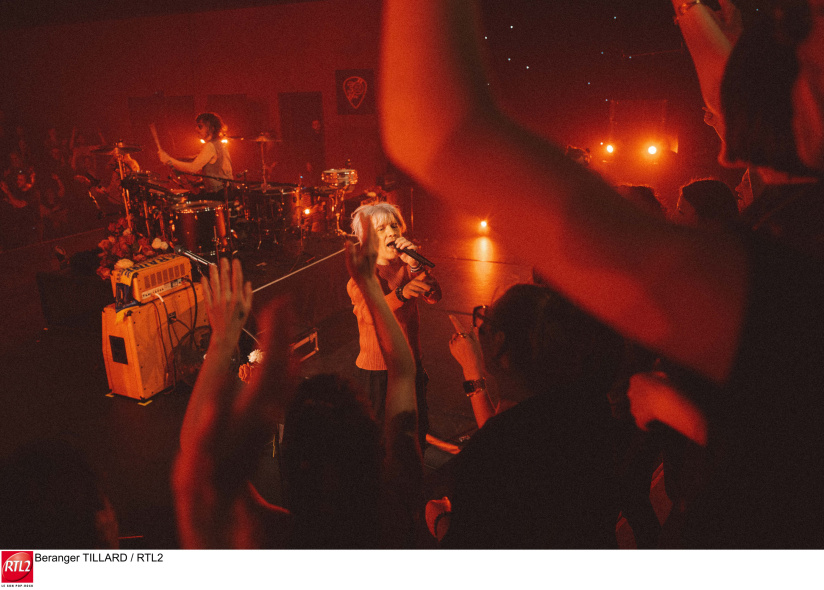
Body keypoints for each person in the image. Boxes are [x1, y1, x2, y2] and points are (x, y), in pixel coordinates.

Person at [380, 0, 824, 547]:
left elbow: (435, 129)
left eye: (803, 22)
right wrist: (692, 15)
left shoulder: (789, 277)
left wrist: (671, 405)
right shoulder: (790, 241)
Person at [174, 219, 422, 548]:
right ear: (371, 445)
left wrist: (222, 340)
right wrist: (371, 286)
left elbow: (197, 449)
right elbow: (404, 372)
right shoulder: (397, 511)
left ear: (290, 460)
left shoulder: (274, 537)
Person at [429, 284, 624, 548]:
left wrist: (439, 519)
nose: (479, 328)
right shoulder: (587, 408)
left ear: (500, 342)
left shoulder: (485, 456)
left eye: (486, 320)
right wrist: (473, 372)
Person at [347, 202, 441, 448]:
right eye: (381, 229)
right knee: (382, 439)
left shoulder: (406, 266)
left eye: (394, 225)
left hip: (411, 363)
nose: (391, 232)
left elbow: (434, 295)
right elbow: (370, 312)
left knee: (416, 431)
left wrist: (415, 265)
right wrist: (402, 293)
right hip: (378, 371)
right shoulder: (362, 276)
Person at [157, 113, 233, 195]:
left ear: (212, 128)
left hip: (218, 194)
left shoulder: (210, 146)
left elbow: (193, 168)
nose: (196, 129)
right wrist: (200, 182)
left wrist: (168, 159)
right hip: (226, 192)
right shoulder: (220, 145)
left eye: (200, 126)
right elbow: (219, 173)